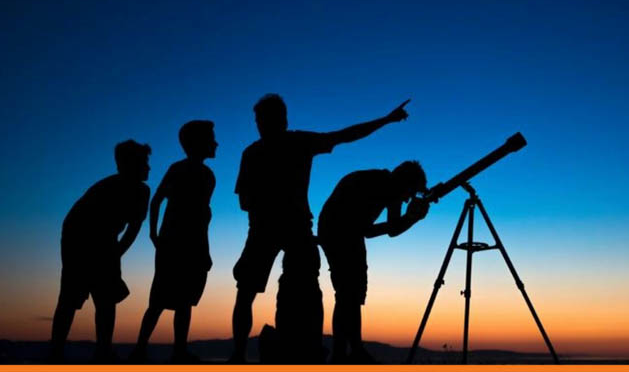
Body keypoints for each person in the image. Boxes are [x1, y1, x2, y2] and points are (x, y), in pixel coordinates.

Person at [230, 93, 410, 363]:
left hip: (280, 229)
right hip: (278, 229)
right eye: (259, 120)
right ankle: (243, 356)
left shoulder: (272, 148)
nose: (260, 125)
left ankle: (260, 355)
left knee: (259, 292)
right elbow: (244, 201)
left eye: (263, 120)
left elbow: (345, 135)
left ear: (281, 120)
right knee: (254, 292)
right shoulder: (273, 148)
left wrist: (386, 120)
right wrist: (386, 120)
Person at [49, 140, 151, 363]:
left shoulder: (141, 191)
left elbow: (132, 229)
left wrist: (116, 254)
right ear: (129, 164)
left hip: (103, 239)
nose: (148, 167)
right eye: (144, 162)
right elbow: (125, 229)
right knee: (72, 297)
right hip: (78, 238)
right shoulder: (109, 188)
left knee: (106, 297)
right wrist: (112, 255)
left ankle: (103, 351)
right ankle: (56, 354)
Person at [318, 161, 429, 363]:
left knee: (350, 295)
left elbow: (376, 230)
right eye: (410, 193)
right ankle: (343, 354)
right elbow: (387, 229)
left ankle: (352, 351)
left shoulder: (384, 184)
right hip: (340, 234)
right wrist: (412, 218)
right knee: (348, 294)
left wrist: (411, 217)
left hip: (341, 233)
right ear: (404, 183)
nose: (407, 199)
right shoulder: (383, 186)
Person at [130, 121, 217, 363]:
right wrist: (153, 233)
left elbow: (199, 217)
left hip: (184, 245)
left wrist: (155, 234)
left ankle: (174, 351)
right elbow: (160, 202)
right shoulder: (187, 171)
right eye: (211, 139)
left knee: (180, 302)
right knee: (163, 300)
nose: (216, 143)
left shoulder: (203, 174)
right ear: (198, 143)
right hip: (177, 245)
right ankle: (142, 350)